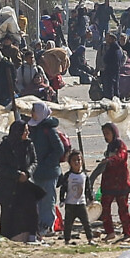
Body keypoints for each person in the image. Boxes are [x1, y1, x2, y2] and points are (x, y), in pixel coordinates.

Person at [28, 101, 64, 239]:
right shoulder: (35, 127)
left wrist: (47, 162)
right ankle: (39, 226)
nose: (32, 114)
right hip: (37, 172)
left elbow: (59, 149)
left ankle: (48, 226)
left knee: (48, 199)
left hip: (49, 171)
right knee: (38, 200)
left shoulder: (48, 129)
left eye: (34, 111)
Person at [97, 121, 130, 241]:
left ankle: (127, 233)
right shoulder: (110, 147)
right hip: (109, 183)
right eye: (104, 134)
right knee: (105, 208)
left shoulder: (120, 145)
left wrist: (109, 160)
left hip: (120, 183)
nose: (105, 136)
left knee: (123, 209)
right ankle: (110, 232)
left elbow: (121, 157)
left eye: (107, 133)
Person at [60, 149, 92, 242]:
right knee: (68, 224)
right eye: (74, 160)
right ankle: (67, 240)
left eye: (79, 160)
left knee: (86, 223)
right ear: (70, 162)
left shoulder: (84, 175)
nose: (77, 162)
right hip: (70, 204)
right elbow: (63, 188)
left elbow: (88, 189)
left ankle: (90, 239)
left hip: (81, 203)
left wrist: (90, 199)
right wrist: (62, 199)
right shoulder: (68, 175)